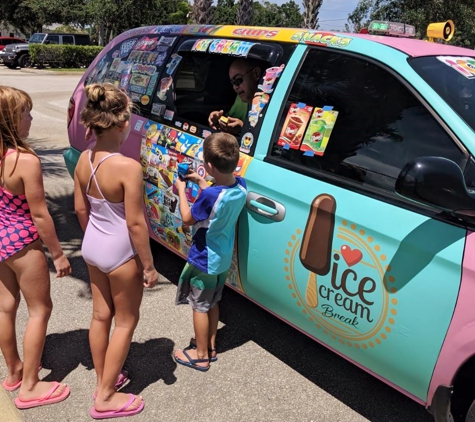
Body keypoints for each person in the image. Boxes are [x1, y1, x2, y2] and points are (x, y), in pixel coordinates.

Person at [74, 83, 159, 418]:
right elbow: (136, 224)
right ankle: (106, 396)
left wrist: (94, 237)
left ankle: (104, 379)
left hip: (93, 245)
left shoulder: (84, 159)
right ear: (124, 125)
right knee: (125, 322)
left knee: (100, 316)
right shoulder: (128, 167)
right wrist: (149, 266)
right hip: (120, 252)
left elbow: (81, 209)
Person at [0, 86, 72, 409]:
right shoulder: (25, 160)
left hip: (1, 242)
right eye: (26, 113)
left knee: (5, 307)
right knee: (40, 309)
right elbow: (40, 214)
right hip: (24, 246)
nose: (31, 117)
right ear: (12, 119)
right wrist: (57, 254)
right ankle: (30, 386)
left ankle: (14, 369)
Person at [173, 132, 247, 371]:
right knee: (213, 302)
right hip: (222, 259)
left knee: (199, 306)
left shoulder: (208, 196)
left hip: (203, 259)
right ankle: (210, 345)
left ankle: (200, 354)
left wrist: (182, 190)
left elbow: (187, 218)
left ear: (209, 165)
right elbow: (219, 198)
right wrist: (202, 182)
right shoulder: (241, 186)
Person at [208, 58, 262, 134]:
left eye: (238, 80)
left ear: (256, 73)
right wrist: (219, 120)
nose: (235, 87)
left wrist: (242, 128)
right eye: (232, 83)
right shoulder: (240, 100)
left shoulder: (273, 103)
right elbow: (229, 119)